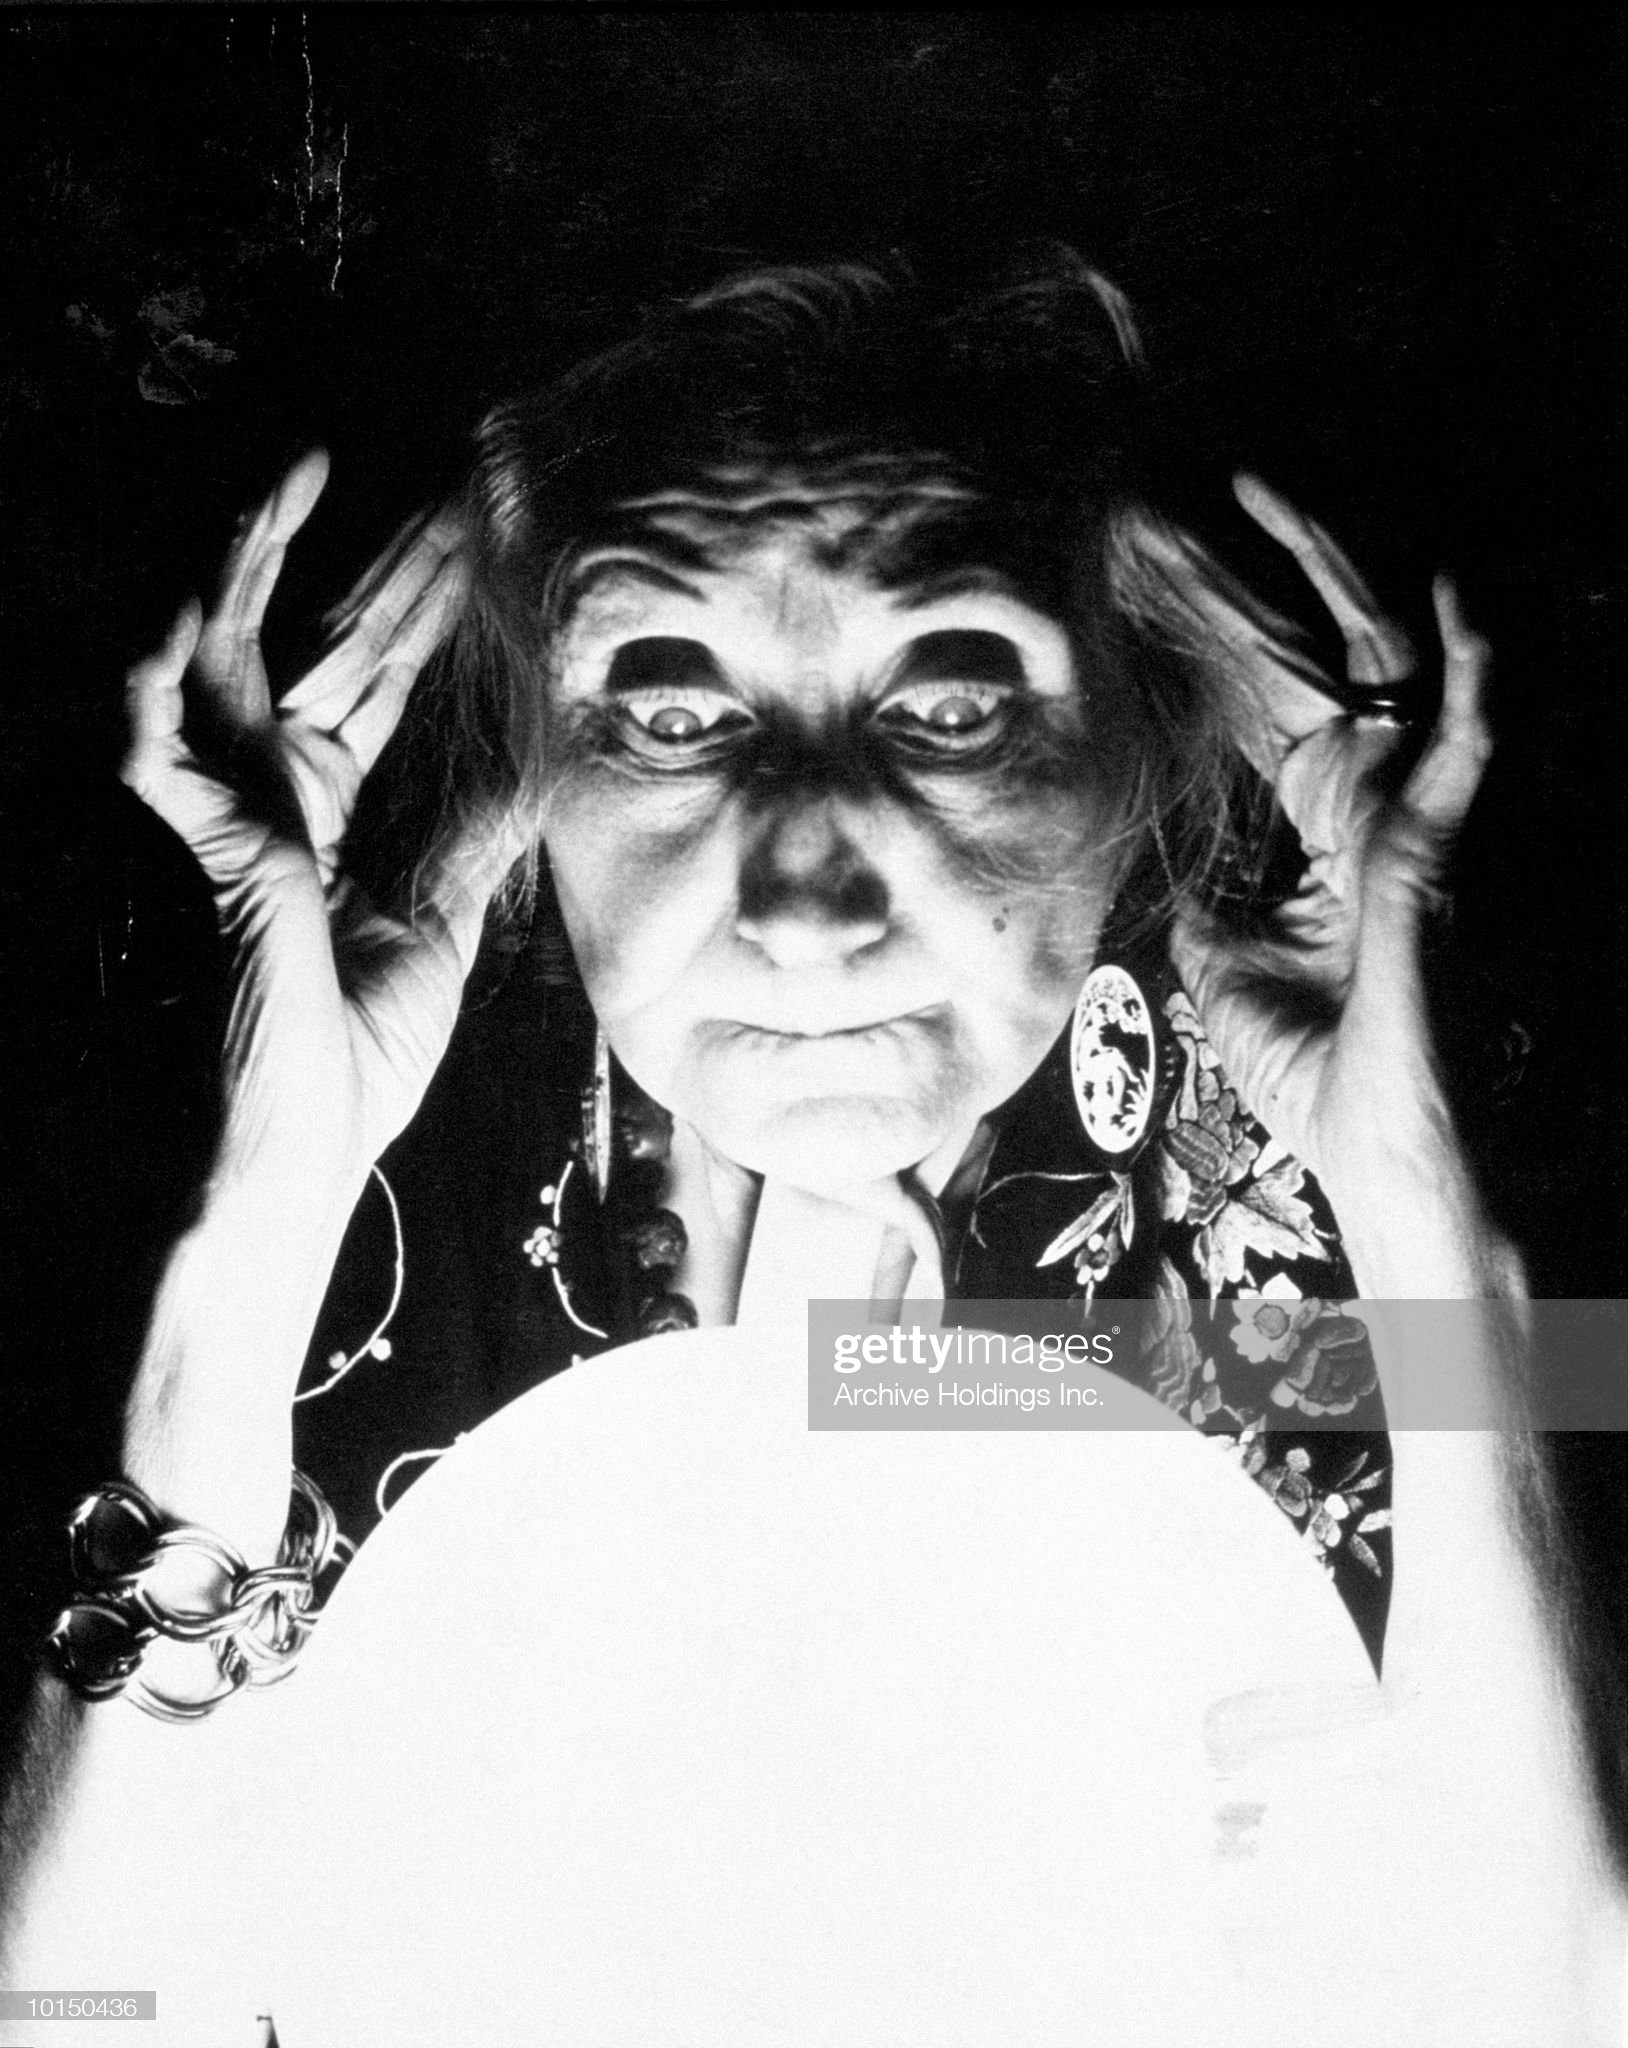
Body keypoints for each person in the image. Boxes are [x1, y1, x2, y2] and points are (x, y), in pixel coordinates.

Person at [0, 255, 1618, 2043]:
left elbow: (1539, 1995)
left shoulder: (1346, 1224)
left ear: (1141, 738)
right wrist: (253, 1224)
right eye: (673, 715)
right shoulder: (289, 1179)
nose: (805, 899)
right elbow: (78, 2018)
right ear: (539, 751)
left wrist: (1414, 1196)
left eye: (952, 705)